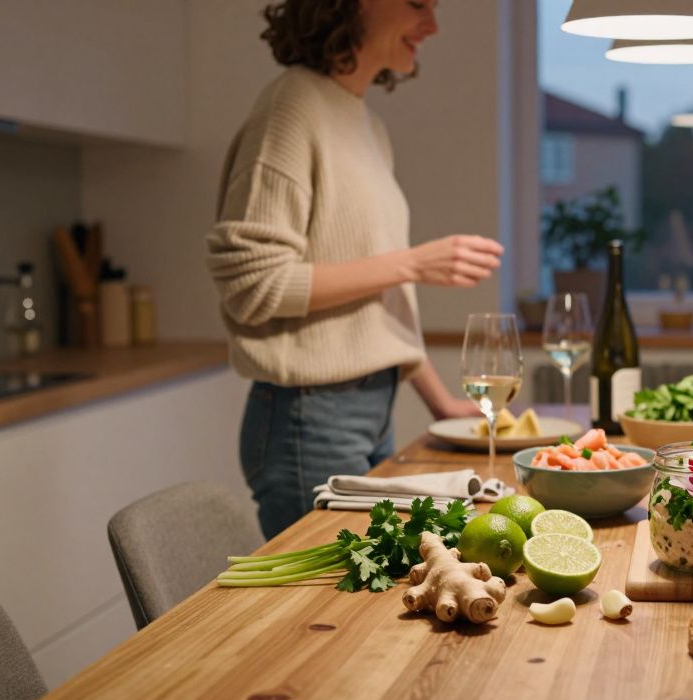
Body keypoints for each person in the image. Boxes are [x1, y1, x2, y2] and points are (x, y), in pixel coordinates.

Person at [206, 0, 504, 538]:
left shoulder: (365, 123)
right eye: (418, 3)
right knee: (326, 615)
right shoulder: (291, 108)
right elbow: (253, 286)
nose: (433, 26)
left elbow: (377, 297)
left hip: (368, 408)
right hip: (309, 418)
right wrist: (413, 262)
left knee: (362, 605)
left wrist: (440, 402)